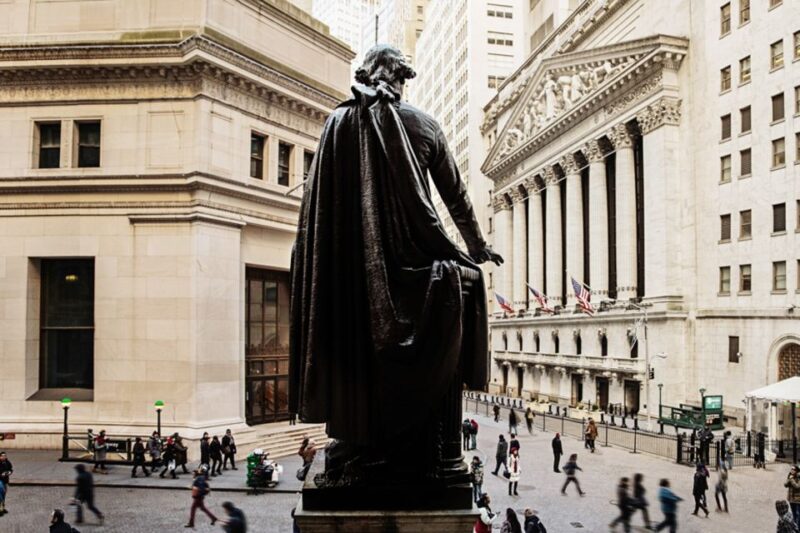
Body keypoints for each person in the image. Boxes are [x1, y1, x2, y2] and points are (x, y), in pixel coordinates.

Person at [288, 43, 502, 482]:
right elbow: (455, 195)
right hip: (413, 266)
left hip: (353, 277)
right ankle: (426, 440)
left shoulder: (337, 124)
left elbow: (318, 212)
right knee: (462, 280)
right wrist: (476, 247)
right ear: (402, 79)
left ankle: (359, 438)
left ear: (366, 74)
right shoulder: (424, 125)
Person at [0, 451, 12, 515]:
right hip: (0, 480)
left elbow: (11, 469)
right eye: (2, 456)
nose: (4, 457)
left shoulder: (8, 462)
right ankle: (1, 506)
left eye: (5, 456)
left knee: (4, 493)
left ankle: (3, 507)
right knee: (0, 491)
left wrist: (9, 472)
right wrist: (1, 474)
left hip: (5, 480)